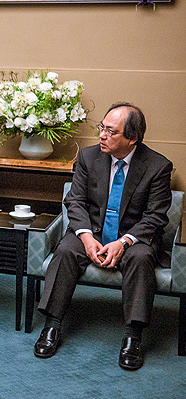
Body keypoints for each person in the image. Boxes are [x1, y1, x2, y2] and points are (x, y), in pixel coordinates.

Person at [33, 103, 173, 370]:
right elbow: (74, 202)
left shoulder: (157, 166)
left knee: (142, 258)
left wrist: (123, 242)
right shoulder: (88, 157)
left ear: (132, 138)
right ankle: (51, 326)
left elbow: (156, 217)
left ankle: (133, 335)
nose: (102, 135)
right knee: (64, 250)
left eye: (111, 131)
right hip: (92, 230)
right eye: (102, 127)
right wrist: (86, 237)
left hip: (132, 236)